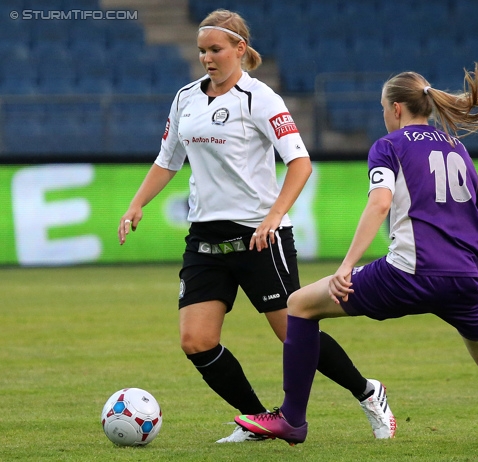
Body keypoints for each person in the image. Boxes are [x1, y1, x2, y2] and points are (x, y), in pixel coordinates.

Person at [235, 64, 478, 449]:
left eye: (383, 109)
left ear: (397, 109)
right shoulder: (457, 147)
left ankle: (292, 420)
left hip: (408, 275)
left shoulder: (389, 146)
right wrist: (471, 274)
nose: (384, 116)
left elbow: (380, 205)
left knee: (300, 304)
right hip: (465, 279)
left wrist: (345, 266)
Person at [117, 9, 395, 443]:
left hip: (260, 238)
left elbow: (300, 163)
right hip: (205, 239)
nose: (207, 58)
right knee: (196, 340)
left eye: (215, 49)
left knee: (295, 333)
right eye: (202, 50)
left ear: (239, 50)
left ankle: (368, 392)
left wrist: (273, 217)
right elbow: (167, 159)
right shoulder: (185, 97)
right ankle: (257, 419)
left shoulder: (260, 98)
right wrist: (136, 204)